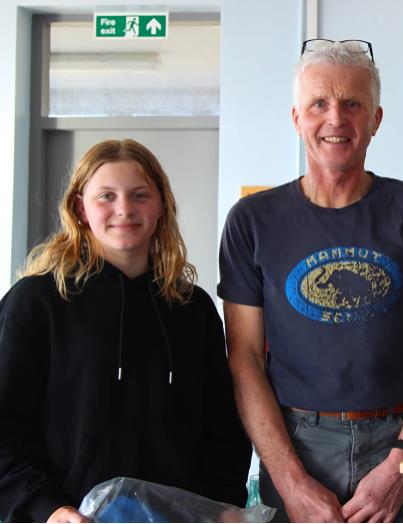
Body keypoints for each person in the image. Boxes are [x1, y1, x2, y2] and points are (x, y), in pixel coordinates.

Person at [218, 39, 403, 523]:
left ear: (375, 119)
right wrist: (291, 483)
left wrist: (402, 461)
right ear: (297, 119)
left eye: (353, 103)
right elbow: (244, 358)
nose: (335, 119)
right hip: (297, 445)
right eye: (318, 104)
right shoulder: (252, 220)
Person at [0, 139, 251, 523]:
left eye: (139, 195)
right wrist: (49, 509)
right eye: (106, 196)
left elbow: (224, 430)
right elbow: (6, 429)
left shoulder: (193, 309)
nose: (124, 209)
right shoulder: (36, 303)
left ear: (161, 206)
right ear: (80, 208)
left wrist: (220, 507)